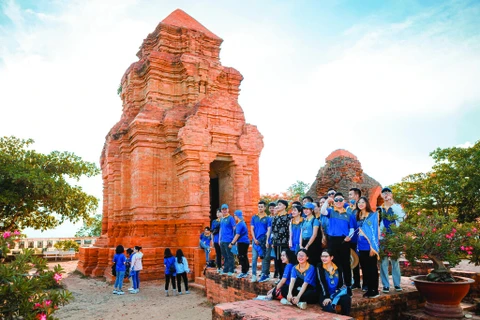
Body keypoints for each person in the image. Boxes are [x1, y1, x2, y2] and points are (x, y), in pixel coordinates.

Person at [321, 192, 356, 296]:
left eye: (340, 200)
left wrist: (349, 236)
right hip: (332, 240)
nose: (338, 202)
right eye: (336, 200)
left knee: (346, 264)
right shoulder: (331, 212)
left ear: (344, 201)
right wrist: (328, 200)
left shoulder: (348, 214)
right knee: (335, 263)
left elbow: (352, 228)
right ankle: (338, 285)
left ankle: (348, 285)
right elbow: (323, 211)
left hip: (344, 240)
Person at [379, 187, 406, 293]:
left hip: (394, 236)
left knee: (395, 261)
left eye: (388, 193)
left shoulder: (397, 207)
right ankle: (385, 285)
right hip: (383, 237)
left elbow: (402, 217)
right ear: (381, 195)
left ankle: (397, 284)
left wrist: (392, 203)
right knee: (383, 262)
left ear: (391, 194)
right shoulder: (379, 209)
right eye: (384, 193)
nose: (386, 195)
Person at [355, 196, 380, 298]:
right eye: (359, 202)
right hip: (361, 246)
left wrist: (373, 247)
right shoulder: (359, 215)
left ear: (366, 204)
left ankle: (375, 290)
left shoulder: (372, 216)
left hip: (370, 246)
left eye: (363, 202)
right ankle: (369, 289)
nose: (360, 204)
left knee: (372, 269)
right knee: (365, 269)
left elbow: (375, 231)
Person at [317, 249, 351, 316]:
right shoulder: (319, 266)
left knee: (346, 299)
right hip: (325, 293)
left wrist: (335, 294)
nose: (323, 258)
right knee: (329, 308)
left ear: (331, 257)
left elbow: (341, 283)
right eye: (322, 256)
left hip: (336, 293)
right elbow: (322, 283)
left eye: (326, 256)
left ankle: (345, 317)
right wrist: (327, 296)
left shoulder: (338, 267)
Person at [250, 201, 271, 283]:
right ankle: (254, 275)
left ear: (265, 208)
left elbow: (269, 229)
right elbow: (252, 229)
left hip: (263, 241)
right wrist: (254, 239)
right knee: (254, 258)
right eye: (259, 206)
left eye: (262, 206)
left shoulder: (268, 218)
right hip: (255, 241)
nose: (260, 208)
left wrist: (265, 240)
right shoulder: (254, 217)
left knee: (263, 258)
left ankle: (263, 274)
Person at [271, 200, 291, 278]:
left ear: (284, 206)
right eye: (278, 205)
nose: (278, 206)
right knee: (277, 260)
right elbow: (273, 230)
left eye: (280, 204)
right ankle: (280, 276)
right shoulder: (275, 217)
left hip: (284, 242)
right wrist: (273, 241)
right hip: (276, 242)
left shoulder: (288, 217)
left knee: (284, 260)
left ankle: (285, 277)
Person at [348, 187, 362, 290]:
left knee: (361, 261)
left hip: (359, 240)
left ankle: (363, 283)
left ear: (357, 196)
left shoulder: (361, 210)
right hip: (349, 239)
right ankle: (355, 282)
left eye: (351, 195)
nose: (349, 197)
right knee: (353, 261)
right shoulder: (349, 209)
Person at [300, 202, 322, 267]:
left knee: (312, 261)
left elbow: (314, 234)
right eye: (304, 209)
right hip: (304, 242)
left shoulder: (315, 220)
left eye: (307, 209)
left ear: (312, 210)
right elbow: (301, 233)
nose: (305, 211)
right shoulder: (304, 220)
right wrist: (300, 245)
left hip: (312, 243)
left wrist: (307, 246)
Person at [230, 210, 250, 278]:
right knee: (244, 256)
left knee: (242, 256)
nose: (234, 217)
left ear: (237, 216)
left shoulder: (240, 224)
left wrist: (232, 243)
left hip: (242, 242)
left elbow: (237, 235)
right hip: (244, 242)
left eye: (234, 216)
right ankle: (246, 270)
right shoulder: (241, 223)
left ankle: (244, 271)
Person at [219, 204, 236, 276]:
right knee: (225, 255)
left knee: (230, 255)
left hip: (229, 240)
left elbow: (234, 228)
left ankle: (231, 270)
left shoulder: (230, 218)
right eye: (223, 209)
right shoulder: (222, 219)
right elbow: (221, 229)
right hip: (223, 240)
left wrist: (233, 241)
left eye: (225, 209)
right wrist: (219, 239)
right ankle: (225, 269)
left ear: (228, 210)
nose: (224, 211)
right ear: (221, 211)